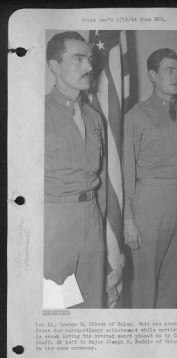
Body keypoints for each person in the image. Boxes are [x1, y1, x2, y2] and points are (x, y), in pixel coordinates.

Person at [123, 48, 177, 308]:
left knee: (173, 277)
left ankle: (164, 337)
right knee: (145, 279)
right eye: (169, 70)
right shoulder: (136, 116)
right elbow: (128, 170)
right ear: (153, 75)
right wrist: (129, 218)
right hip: (150, 202)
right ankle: (143, 339)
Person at [44, 32, 106, 308]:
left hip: (91, 218)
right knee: (56, 308)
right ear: (54, 66)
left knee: (91, 304)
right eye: (78, 59)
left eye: (90, 60)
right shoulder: (36, 113)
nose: (90, 67)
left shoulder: (94, 118)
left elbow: (100, 179)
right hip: (54, 221)